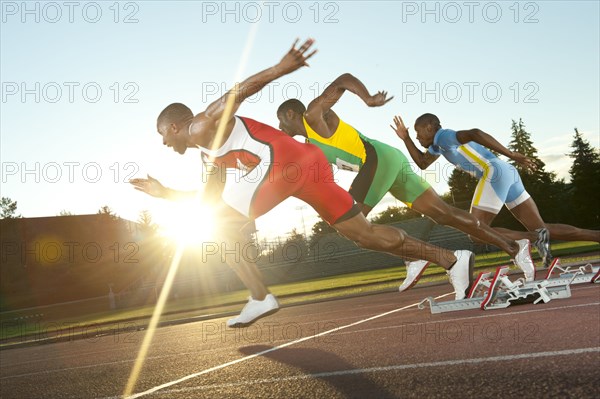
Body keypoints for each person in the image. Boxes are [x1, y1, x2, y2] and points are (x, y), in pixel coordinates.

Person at [130, 39, 474, 328]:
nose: (163, 143)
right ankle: (451, 258)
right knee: (362, 234)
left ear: (174, 127)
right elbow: (208, 202)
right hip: (307, 165)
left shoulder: (199, 127)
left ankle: (261, 297)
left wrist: (282, 68)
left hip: (285, 164)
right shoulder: (208, 155)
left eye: (162, 135)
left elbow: (235, 95)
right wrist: (166, 194)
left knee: (220, 228)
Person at [275, 73, 538, 289]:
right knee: (444, 214)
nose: (279, 128)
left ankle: (418, 258)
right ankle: (514, 248)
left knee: (352, 226)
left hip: (377, 160)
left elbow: (343, 79)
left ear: (289, 114)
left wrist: (367, 98)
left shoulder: (312, 115)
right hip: (390, 161)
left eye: (279, 121)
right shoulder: (310, 144)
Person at [391, 113, 600, 261]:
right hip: (507, 173)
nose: (418, 137)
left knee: (476, 231)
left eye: (418, 133)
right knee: (541, 227)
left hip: (495, 172)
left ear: (430, 127)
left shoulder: (444, 136)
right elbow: (422, 163)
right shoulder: (438, 145)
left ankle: (534, 240)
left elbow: (475, 132)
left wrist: (511, 153)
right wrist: (406, 137)